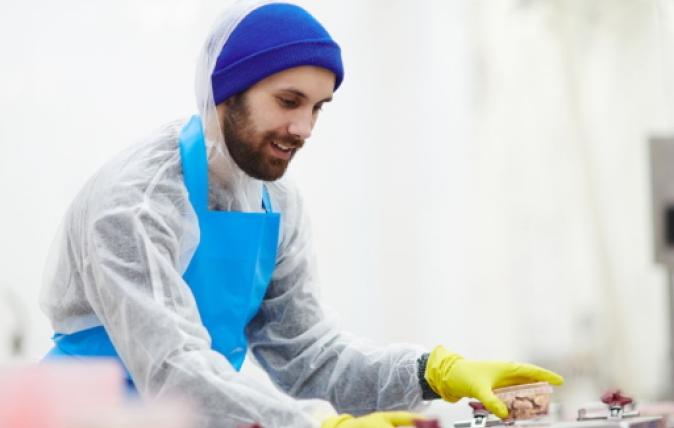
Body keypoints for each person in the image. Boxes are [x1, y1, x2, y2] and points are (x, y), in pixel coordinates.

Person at [40, 1, 564, 427]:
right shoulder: (137, 202)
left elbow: (310, 356)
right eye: (288, 100)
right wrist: (312, 425)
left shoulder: (275, 202)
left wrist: (434, 371)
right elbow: (173, 368)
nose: (304, 128)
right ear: (227, 92)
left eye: (317, 107)